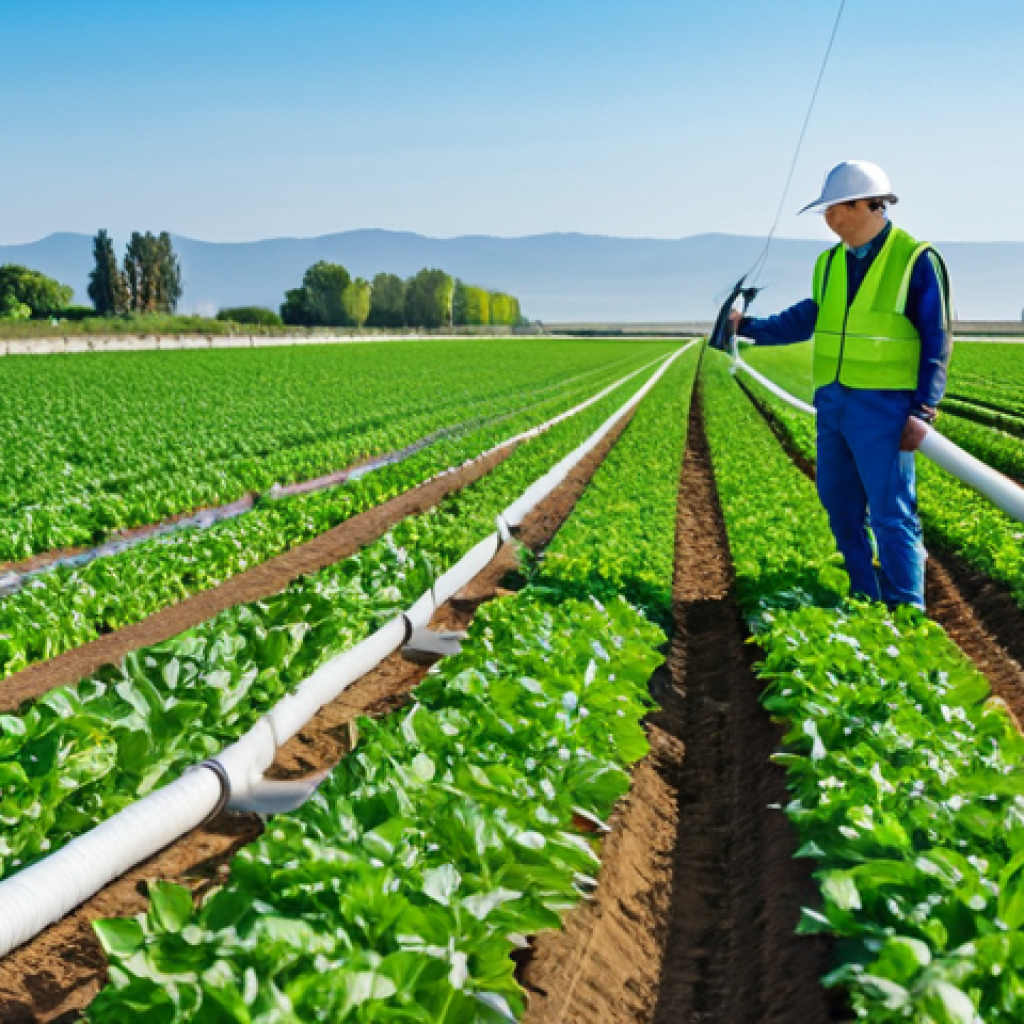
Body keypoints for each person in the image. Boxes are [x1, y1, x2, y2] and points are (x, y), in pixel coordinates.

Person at [730, 159, 952, 610]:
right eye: (827, 211)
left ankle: (906, 611)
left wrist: (923, 410)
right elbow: (808, 319)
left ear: (871, 205)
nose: (829, 219)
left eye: (836, 209)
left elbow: (937, 337)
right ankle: (864, 598)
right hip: (833, 403)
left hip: (884, 408)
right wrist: (746, 326)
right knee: (840, 503)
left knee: (892, 513)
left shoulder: (915, 259)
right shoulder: (829, 263)